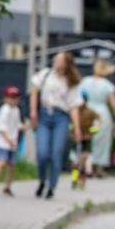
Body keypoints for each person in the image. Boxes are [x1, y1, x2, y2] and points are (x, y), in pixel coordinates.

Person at [30, 51, 84, 200]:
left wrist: (77, 128)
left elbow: (74, 106)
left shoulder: (71, 81)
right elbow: (34, 91)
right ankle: (42, 180)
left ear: (66, 63)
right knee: (42, 153)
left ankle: (51, 187)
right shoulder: (46, 74)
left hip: (61, 117)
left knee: (56, 153)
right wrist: (34, 111)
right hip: (44, 114)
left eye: (59, 59)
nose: (55, 61)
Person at [79, 60, 115, 178]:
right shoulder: (107, 85)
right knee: (101, 142)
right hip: (102, 113)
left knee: (87, 140)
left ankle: (86, 166)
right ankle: (99, 168)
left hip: (86, 112)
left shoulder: (85, 81)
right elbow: (114, 103)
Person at [0, 86, 25, 196]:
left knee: (11, 165)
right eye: (11, 97)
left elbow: (18, 125)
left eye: (15, 97)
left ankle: (7, 187)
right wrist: (8, 140)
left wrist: (28, 126)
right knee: (2, 162)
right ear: (5, 98)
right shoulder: (4, 110)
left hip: (12, 143)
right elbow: (1, 127)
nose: (13, 100)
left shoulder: (16, 110)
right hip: (3, 142)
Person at [70, 92, 103, 190]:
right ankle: (75, 178)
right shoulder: (73, 110)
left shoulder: (90, 111)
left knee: (83, 160)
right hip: (75, 137)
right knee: (74, 162)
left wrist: (96, 129)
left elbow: (101, 119)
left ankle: (82, 179)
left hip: (87, 137)